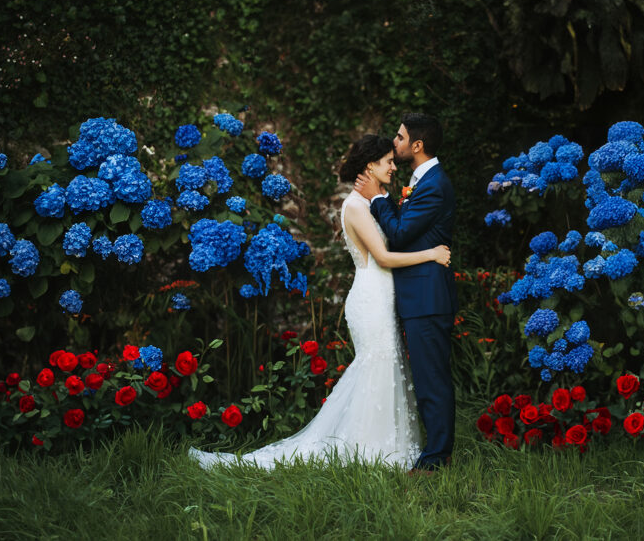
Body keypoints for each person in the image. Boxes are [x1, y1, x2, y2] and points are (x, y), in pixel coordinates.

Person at [189, 134, 450, 470]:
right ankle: (367, 452)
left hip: (386, 297)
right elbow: (384, 257)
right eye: (386, 160)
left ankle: (385, 447)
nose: (392, 166)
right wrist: (430, 254)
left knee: (388, 369)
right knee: (377, 367)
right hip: (371, 298)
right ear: (370, 165)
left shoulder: (379, 198)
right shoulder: (355, 206)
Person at [354, 112, 458, 473]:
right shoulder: (421, 182)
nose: (393, 143)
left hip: (428, 298)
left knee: (432, 380)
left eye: (399, 138)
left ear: (417, 145)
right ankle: (434, 450)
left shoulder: (434, 185)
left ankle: (436, 459)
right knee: (428, 378)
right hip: (417, 297)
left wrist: (377, 198)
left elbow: (399, 235)